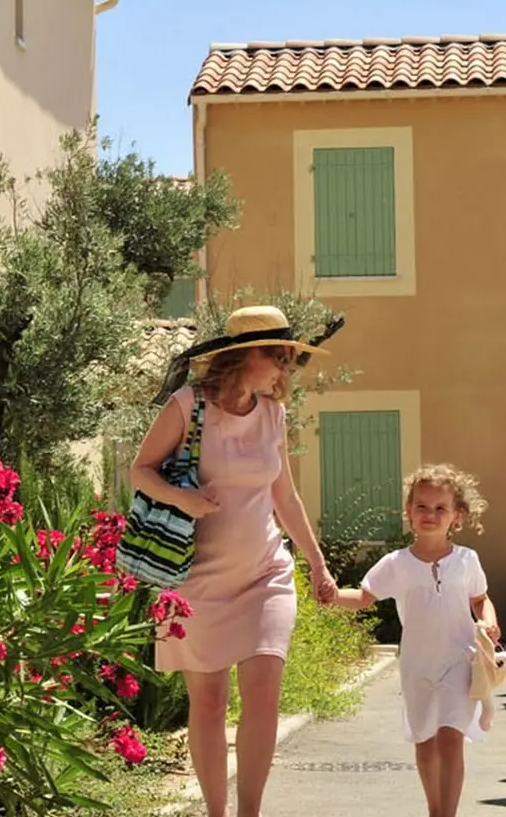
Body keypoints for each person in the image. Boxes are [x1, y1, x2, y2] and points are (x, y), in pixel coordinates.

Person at [129, 305, 338, 817]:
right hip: (194, 579)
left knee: (264, 694)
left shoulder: (273, 413)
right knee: (209, 703)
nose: (285, 369)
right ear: (246, 356)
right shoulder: (187, 406)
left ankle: (251, 813)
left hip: (265, 573)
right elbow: (140, 472)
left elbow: (284, 496)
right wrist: (184, 500)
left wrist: (317, 563)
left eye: (289, 358)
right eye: (279, 357)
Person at [331, 464, 500, 817]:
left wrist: (488, 620)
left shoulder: (467, 560)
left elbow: (480, 598)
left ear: (457, 516)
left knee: (452, 738)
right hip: (417, 666)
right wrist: (331, 595)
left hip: (459, 661)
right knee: (425, 740)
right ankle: (434, 809)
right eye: (422, 506)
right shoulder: (396, 563)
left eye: (440, 508)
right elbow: (364, 597)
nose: (430, 514)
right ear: (408, 512)